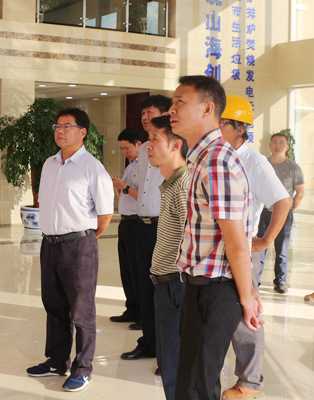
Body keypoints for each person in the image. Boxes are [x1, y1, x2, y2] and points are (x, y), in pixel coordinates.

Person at [168, 76, 263, 400]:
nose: (171, 110)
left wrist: (247, 297)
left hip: (215, 291)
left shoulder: (217, 162)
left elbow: (236, 241)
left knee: (197, 386)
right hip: (203, 287)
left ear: (208, 109)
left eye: (180, 102)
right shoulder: (202, 157)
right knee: (193, 380)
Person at [26, 108, 114, 392]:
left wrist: (84, 239)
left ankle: (83, 368)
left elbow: (105, 214)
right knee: (54, 305)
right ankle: (56, 360)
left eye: (67, 126)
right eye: (57, 126)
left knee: (81, 310)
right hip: (49, 244)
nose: (60, 131)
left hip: (78, 246)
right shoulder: (50, 164)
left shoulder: (92, 167)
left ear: (82, 132)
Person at [219, 95, 292, 400]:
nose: (216, 128)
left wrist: (266, 240)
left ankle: (250, 381)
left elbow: (283, 201)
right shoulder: (217, 156)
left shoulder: (254, 161)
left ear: (240, 128)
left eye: (222, 123)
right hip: (216, 249)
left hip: (242, 248)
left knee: (245, 309)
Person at [121, 94, 171, 363]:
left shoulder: (177, 145)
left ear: (166, 114)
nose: (144, 117)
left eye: (150, 112)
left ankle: (167, 350)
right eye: (142, 113)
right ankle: (149, 343)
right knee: (145, 287)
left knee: (166, 291)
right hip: (144, 226)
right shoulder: (143, 151)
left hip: (165, 227)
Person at [146, 115, 189, 400]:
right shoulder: (170, 184)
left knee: (176, 365)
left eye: (154, 139)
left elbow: (193, 238)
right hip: (167, 283)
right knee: (169, 362)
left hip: (178, 285)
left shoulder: (183, 185)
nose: (148, 145)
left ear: (176, 145)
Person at [257, 132, 305, 294]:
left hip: (283, 213)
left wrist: (291, 209)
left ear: (287, 147)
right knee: (259, 246)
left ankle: (280, 281)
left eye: (281, 143)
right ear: (270, 145)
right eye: (274, 142)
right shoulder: (262, 164)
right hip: (263, 212)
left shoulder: (293, 167)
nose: (277, 145)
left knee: (281, 248)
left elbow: (300, 192)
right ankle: (255, 280)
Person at [110, 127, 143, 326]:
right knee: (127, 270)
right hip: (125, 222)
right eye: (121, 149)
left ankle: (143, 314)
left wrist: (125, 187)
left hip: (138, 223)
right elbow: (125, 195)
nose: (124, 152)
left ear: (139, 144)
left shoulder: (146, 166)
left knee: (138, 270)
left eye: (127, 148)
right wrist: (119, 189)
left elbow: (146, 198)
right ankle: (132, 309)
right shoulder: (130, 166)